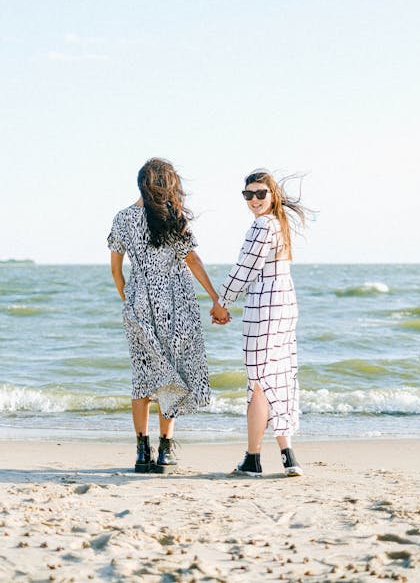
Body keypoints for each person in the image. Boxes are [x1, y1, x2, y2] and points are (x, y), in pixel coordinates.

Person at [108, 158, 229, 473]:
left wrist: (130, 300)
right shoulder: (172, 216)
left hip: (139, 303)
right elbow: (194, 261)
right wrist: (217, 298)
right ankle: (165, 449)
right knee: (172, 371)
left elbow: (116, 271)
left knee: (143, 375)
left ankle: (140, 451)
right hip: (176, 304)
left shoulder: (123, 218)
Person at [211, 170, 305, 477]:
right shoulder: (280, 224)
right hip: (285, 306)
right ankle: (288, 455)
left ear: (272, 195)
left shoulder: (262, 225)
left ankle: (252, 459)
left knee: (258, 382)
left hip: (265, 308)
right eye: (248, 195)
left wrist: (220, 302)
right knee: (277, 376)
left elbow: (244, 270)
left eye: (260, 194)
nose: (254, 200)